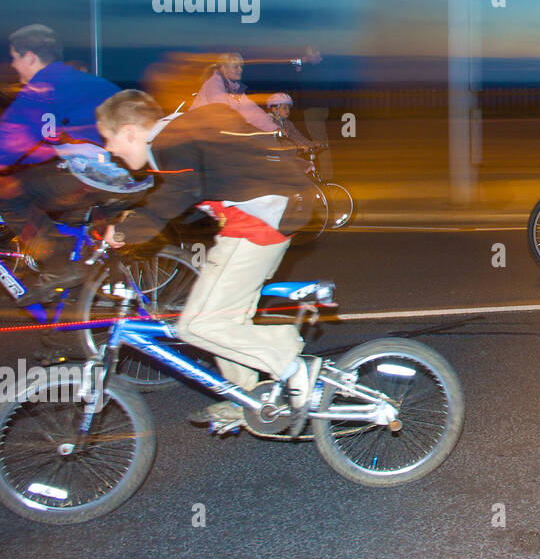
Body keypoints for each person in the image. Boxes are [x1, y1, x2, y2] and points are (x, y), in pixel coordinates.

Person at [97, 89, 319, 432]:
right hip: (263, 218)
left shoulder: (170, 143)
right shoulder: (177, 137)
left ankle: (288, 363)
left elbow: (181, 192)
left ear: (129, 130)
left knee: (197, 326)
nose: (109, 149)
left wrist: (131, 230)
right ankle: (248, 398)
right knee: (227, 321)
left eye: (109, 139)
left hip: (258, 222)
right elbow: (185, 197)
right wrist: (133, 218)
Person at [0, 24, 120, 305]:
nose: (14, 65)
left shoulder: (42, 87)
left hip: (93, 175)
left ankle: (57, 264)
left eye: (14, 57)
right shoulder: (88, 82)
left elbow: (9, 140)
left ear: (29, 56)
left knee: (8, 192)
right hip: (124, 172)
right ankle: (59, 335)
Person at [189, 53, 278, 133]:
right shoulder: (214, 84)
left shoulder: (235, 88)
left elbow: (252, 113)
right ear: (224, 69)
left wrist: (274, 128)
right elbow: (221, 110)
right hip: (199, 131)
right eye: (236, 67)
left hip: (215, 131)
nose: (240, 70)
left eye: (241, 66)